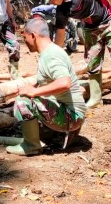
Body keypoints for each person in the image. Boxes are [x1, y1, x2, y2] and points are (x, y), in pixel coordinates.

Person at [38, 0, 111, 111]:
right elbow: (60, 32)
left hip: (109, 21)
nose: (52, 2)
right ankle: (96, 98)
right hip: (89, 30)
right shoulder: (61, 10)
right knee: (92, 62)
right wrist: (54, 53)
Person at [6, 18, 86, 156]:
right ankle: (52, 135)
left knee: (23, 102)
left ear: (33, 35)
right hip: (72, 115)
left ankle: (31, 145)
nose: (25, 42)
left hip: (72, 117)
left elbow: (64, 83)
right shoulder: (50, 51)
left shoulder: (51, 56)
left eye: (25, 38)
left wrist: (34, 92)